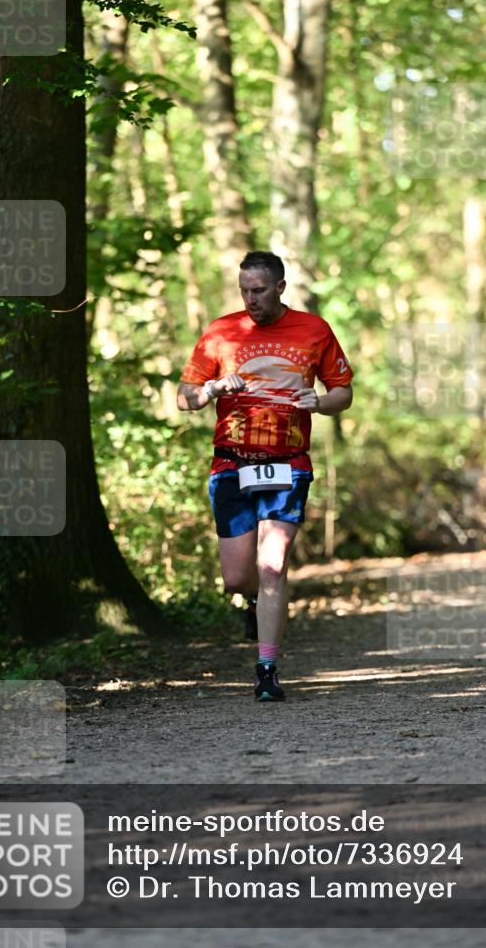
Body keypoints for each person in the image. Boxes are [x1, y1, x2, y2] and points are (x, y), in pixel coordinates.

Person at [177, 251, 354, 701]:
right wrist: (213, 388)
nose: (250, 299)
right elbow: (184, 397)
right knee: (238, 579)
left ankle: (267, 670)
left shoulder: (313, 330)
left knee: (273, 565)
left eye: (258, 290)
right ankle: (255, 600)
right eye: (244, 291)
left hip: (288, 464)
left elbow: (343, 392)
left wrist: (320, 402)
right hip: (231, 463)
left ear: (280, 287)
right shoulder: (221, 331)